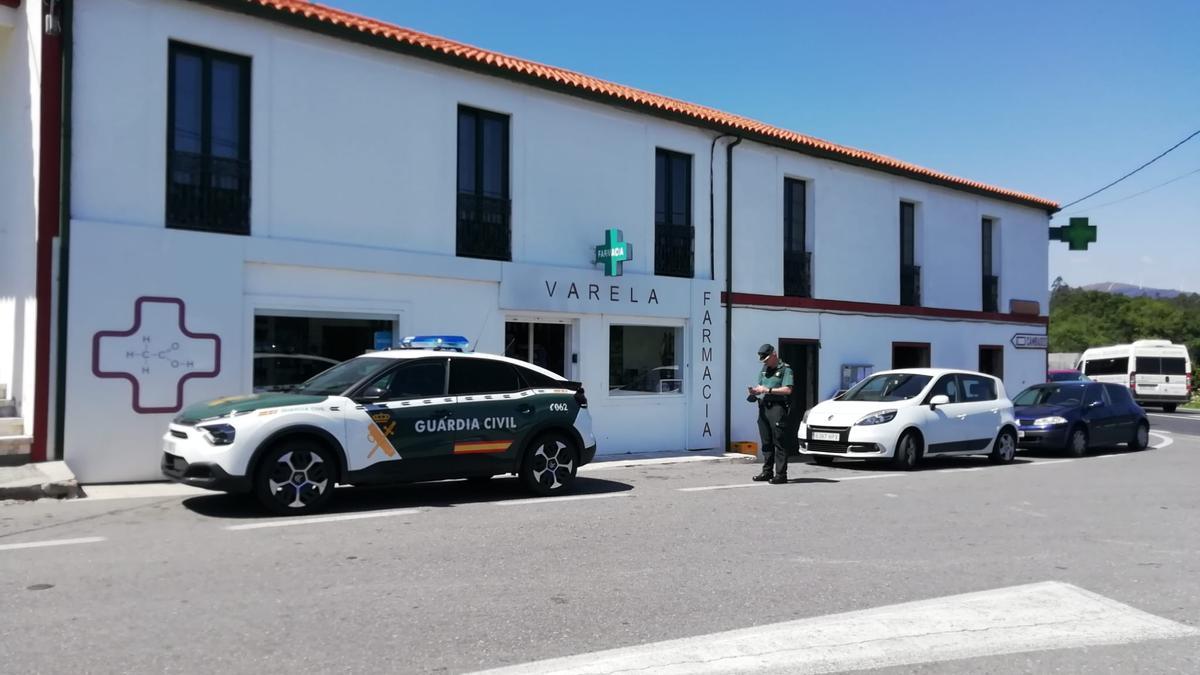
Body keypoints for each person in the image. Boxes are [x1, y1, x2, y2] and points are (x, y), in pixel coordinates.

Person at [751, 343, 794, 484]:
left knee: (779, 441)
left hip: (777, 407)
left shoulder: (785, 369)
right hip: (764, 407)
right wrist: (755, 391)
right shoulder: (764, 369)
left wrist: (767, 390)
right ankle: (767, 472)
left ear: (774, 355)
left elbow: (788, 390)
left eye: (766, 359)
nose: (765, 362)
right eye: (763, 360)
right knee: (766, 441)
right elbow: (760, 385)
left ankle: (781, 474)